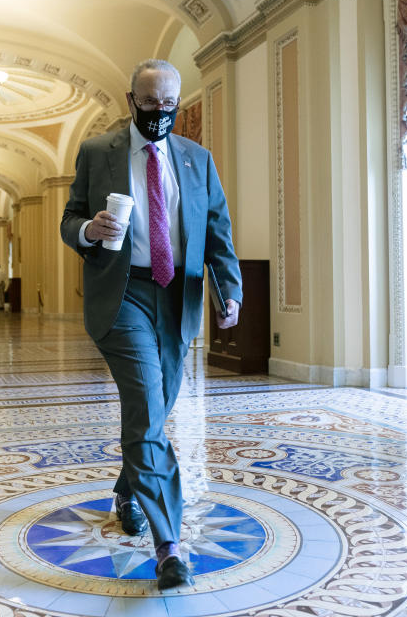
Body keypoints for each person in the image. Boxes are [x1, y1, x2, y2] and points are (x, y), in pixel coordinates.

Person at [60, 59, 242, 590]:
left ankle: (126, 490)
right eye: (150, 102)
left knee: (154, 411)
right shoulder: (99, 152)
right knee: (145, 402)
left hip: (177, 297)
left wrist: (228, 288)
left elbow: (216, 230)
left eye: (169, 104)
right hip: (123, 294)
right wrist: (88, 229)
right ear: (130, 99)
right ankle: (168, 544)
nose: (160, 112)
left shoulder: (197, 159)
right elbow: (70, 216)